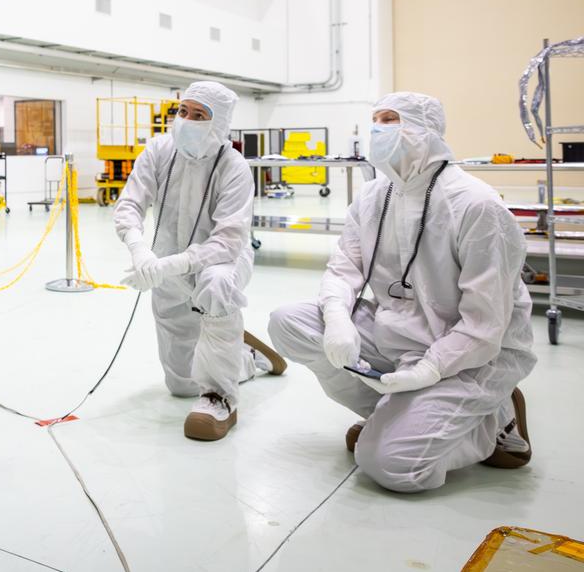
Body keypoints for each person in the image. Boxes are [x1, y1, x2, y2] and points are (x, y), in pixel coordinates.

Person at [268, 92, 536, 493]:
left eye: (390, 120)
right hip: (397, 335)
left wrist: (428, 369)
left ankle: (495, 422)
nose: (377, 130)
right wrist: (338, 318)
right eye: (375, 119)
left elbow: (485, 325)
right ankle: (396, 414)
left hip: (472, 356)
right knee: (289, 322)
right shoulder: (375, 195)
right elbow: (344, 268)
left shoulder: (476, 205)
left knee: (390, 466)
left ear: (423, 131)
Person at [114, 81, 286, 442]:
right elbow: (130, 204)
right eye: (183, 112)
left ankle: (222, 398)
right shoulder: (160, 150)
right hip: (166, 261)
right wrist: (138, 248)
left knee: (217, 285)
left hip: (221, 261)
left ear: (219, 122)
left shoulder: (233, 166)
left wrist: (171, 264)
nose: (187, 120)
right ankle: (245, 355)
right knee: (180, 384)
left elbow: (226, 241)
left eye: (199, 115)